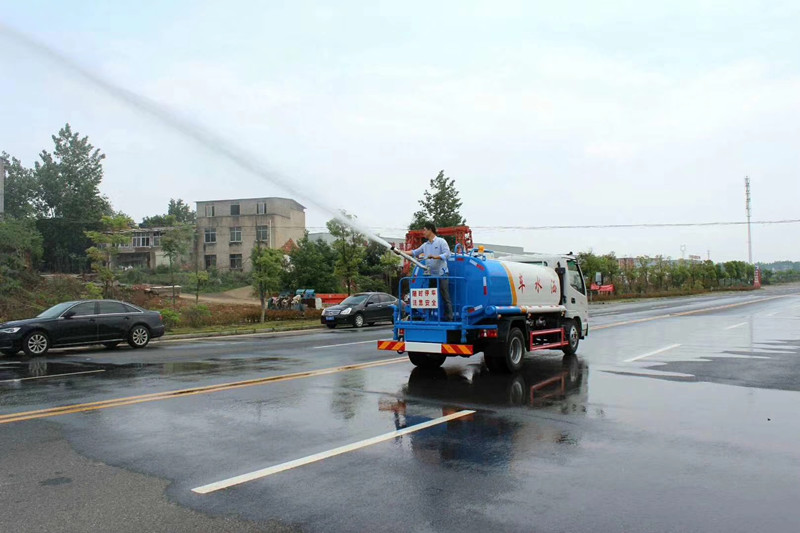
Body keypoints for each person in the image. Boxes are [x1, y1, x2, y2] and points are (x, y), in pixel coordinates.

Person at [410, 222, 453, 321]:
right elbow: (414, 252)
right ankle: (430, 317)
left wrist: (436, 257)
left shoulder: (441, 241)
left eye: (425, 230)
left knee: (445, 296)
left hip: (442, 274)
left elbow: (447, 254)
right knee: (430, 296)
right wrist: (400, 252)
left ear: (430, 230)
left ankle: (449, 318)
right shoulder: (425, 245)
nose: (423, 232)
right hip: (431, 275)